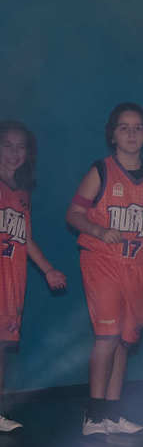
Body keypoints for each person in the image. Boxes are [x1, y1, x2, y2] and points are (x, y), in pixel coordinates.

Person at [66, 103, 143, 436]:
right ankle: (93, 414)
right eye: (124, 127)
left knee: (125, 341)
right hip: (103, 261)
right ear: (112, 135)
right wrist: (98, 231)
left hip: (137, 264)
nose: (131, 133)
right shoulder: (101, 171)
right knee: (107, 337)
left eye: (137, 127)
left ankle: (111, 414)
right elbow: (73, 214)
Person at [0, 120, 66, 431]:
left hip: (11, 279)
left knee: (2, 347)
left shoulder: (22, 193)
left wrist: (48, 269)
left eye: (20, 147)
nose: (14, 153)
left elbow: (25, 237)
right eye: (7, 145)